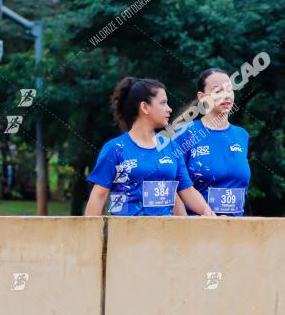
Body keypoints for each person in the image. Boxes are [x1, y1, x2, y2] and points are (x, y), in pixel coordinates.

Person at [84, 77, 215, 217]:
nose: (169, 109)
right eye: (163, 103)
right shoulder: (115, 149)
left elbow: (187, 190)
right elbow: (99, 195)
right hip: (125, 235)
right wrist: (91, 236)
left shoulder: (171, 147)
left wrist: (209, 213)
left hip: (165, 235)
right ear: (145, 107)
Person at [173, 68, 251, 216]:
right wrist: (183, 225)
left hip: (236, 230)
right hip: (197, 230)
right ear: (202, 97)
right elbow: (172, 184)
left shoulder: (242, 135)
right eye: (217, 91)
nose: (226, 95)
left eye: (229, 90)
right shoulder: (184, 134)